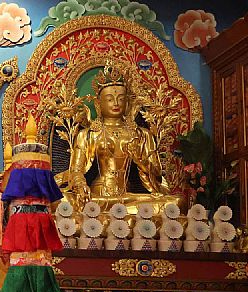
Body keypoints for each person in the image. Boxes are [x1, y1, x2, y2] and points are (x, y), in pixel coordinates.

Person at [57, 64, 184, 213]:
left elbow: (156, 175)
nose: (116, 103)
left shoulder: (142, 135)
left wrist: (139, 159)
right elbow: (76, 170)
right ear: (98, 104)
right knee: (61, 200)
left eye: (121, 99)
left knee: (176, 203)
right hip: (97, 197)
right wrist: (80, 186)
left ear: (128, 103)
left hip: (127, 197)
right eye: (110, 99)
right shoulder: (88, 134)